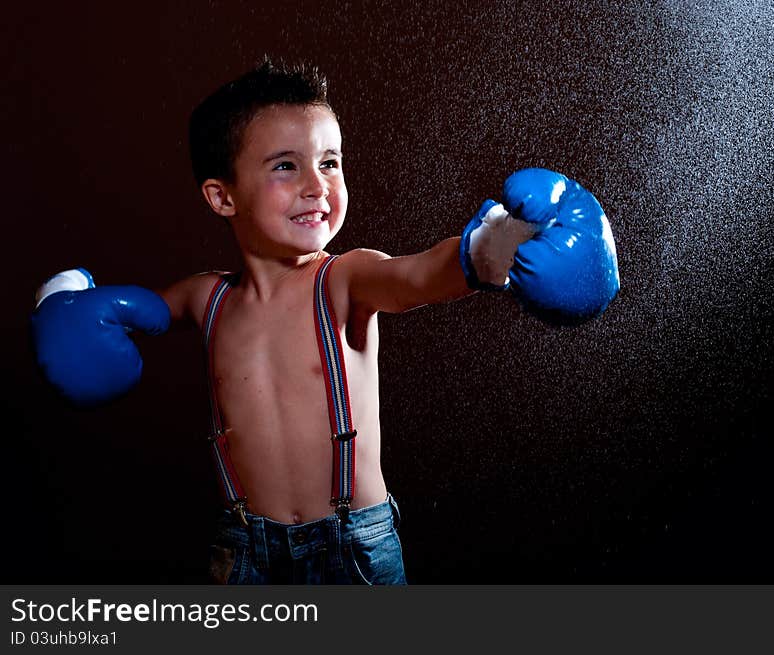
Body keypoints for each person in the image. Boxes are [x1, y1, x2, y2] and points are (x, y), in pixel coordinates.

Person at [30, 59, 620, 584]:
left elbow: (416, 276)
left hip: (350, 548)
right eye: (286, 166)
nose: (318, 185)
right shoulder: (206, 299)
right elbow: (131, 310)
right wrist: (64, 305)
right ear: (222, 197)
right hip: (244, 552)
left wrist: (500, 246)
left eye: (330, 162)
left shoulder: (342, 279)